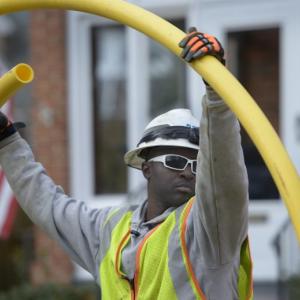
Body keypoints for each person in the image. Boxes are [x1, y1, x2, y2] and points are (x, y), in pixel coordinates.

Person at [0, 28, 252, 299]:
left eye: (199, 166)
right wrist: (7, 141)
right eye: (176, 160)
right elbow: (46, 203)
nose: (189, 172)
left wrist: (217, 90)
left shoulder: (211, 229)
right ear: (146, 168)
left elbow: (224, 172)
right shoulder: (110, 229)